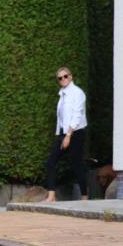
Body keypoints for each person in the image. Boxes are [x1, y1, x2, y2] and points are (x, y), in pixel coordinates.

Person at [42, 67, 88, 202]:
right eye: (60, 78)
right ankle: (52, 196)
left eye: (65, 76)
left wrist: (68, 135)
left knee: (77, 165)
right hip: (64, 134)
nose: (63, 79)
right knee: (50, 163)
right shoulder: (62, 94)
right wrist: (61, 134)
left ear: (71, 76)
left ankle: (85, 197)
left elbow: (77, 115)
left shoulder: (77, 93)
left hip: (76, 133)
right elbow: (61, 117)